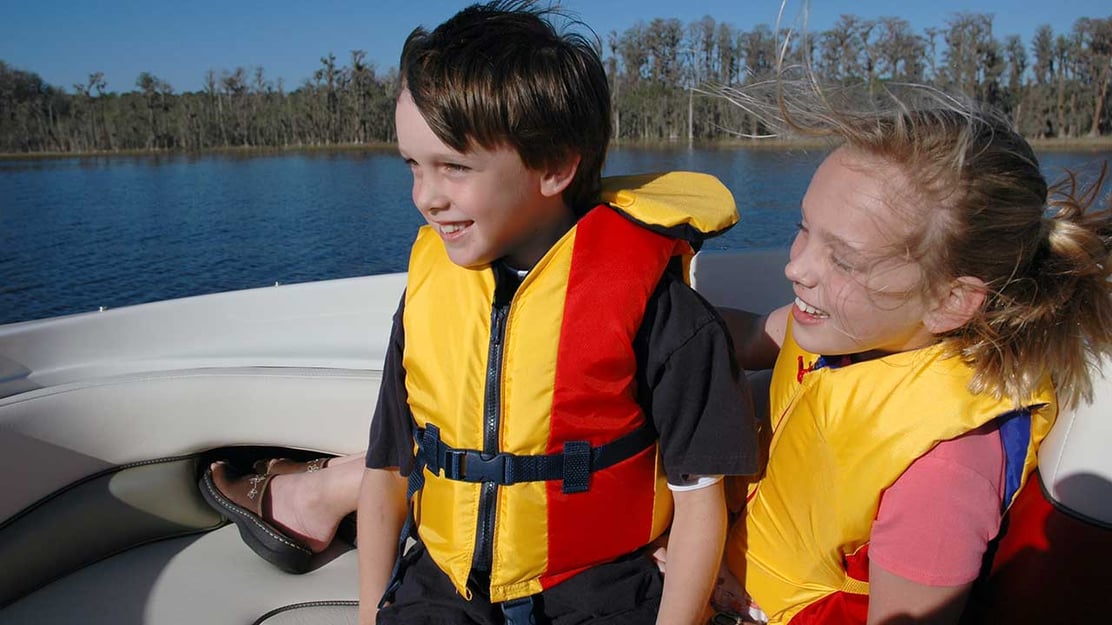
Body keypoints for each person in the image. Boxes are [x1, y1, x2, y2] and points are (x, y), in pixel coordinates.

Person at [354, 3, 758, 625]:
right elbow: (386, 469)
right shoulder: (428, 293)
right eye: (413, 164)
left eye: (453, 168)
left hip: (601, 590)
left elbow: (701, 506)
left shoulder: (663, 311)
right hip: (443, 587)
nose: (425, 197)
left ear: (556, 167)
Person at [703, 91, 1112, 625]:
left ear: (949, 301)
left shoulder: (943, 473)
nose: (796, 266)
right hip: (723, 556)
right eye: (804, 227)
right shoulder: (843, 329)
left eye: (843, 260)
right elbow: (753, 332)